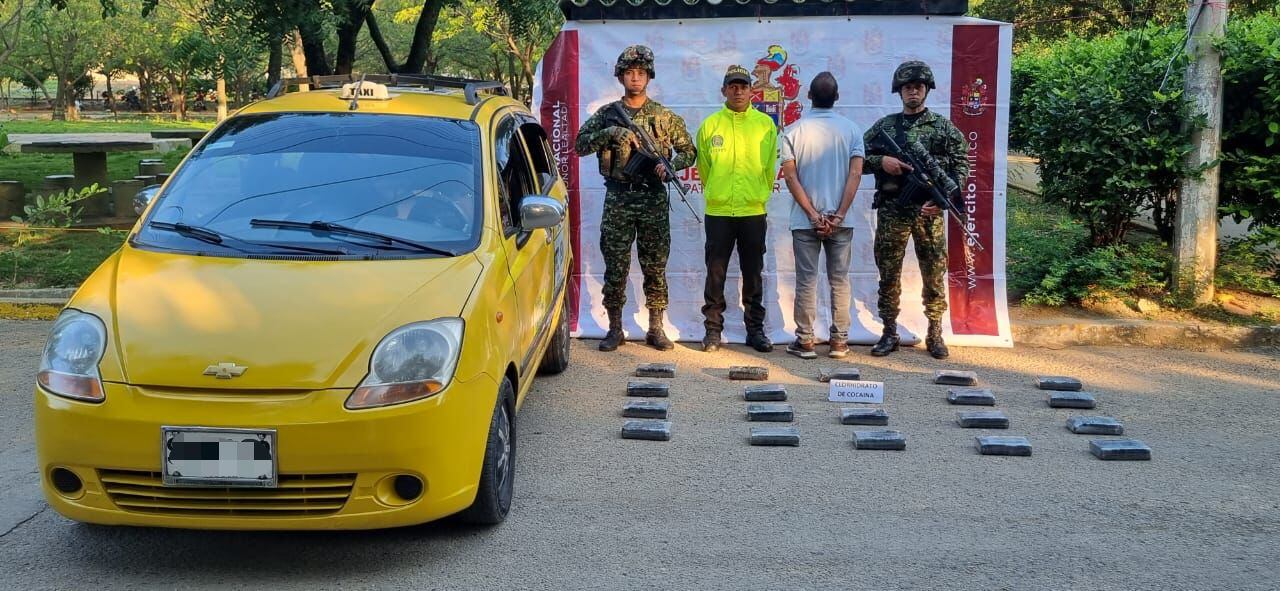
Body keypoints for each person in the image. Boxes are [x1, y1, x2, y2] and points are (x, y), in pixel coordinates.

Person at [575, 45, 696, 352]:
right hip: (618, 199)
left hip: (653, 198)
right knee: (615, 265)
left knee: (655, 265)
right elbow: (579, 144)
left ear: (649, 77)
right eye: (629, 73)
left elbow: (689, 151)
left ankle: (656, 328)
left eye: (641, 73)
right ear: (621, 77)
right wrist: (610, 134)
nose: (635, 78)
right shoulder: (607, 115)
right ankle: (615, 329)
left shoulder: (663, 117)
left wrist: (670, 168)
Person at [863, 61, 969, 359]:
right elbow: (858, 155)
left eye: (918, 87)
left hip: (927, 213)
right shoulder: (886, 126)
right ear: (899, 91)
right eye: (908, 87)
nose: (913, 91)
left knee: (934, 272)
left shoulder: (942, 127)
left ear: (927, 90)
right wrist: (881, 162)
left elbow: (962, 162)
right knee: (888, 272)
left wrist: (945, 196)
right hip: (893, 209)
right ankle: (889, 331)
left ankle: (934, 331)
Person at [779, 72, 864, 360]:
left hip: (805, 221)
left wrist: (814, 215)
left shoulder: (792, 132)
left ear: (809, 97)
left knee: (806, 280)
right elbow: (855, 174)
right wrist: (838, 215)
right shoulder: (852, 130)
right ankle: (839, 342)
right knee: (839, 280)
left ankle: (805, 341)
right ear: (837, 97)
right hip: (841, 221)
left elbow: (790, 178)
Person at [695, 65, 779, 353]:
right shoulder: (710, 125)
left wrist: (758, 195)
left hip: (753, 212)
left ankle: (755, 331)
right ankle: (713, 331)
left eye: (743, 86)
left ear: (752, 90)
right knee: (715, 273)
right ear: (724, 90)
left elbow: (770, 168)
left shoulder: (765, 125)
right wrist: (717, 193)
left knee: (753, 273)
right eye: (733, 86)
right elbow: (704, 168)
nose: (738, 90)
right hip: (718, 213)